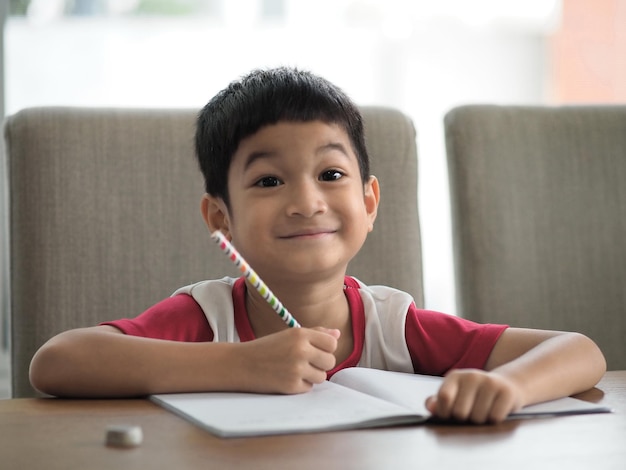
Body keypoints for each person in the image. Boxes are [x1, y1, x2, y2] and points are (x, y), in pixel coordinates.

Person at [29, 67, 606, 424]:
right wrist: (240, 364)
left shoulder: (393, 327)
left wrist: (507, 386)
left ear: (371, 202)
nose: (307, 202)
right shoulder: (206, 318)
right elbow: (56, 363)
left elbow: (580, 353)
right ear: (220, 219)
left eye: (331, 175)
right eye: (269, 181)